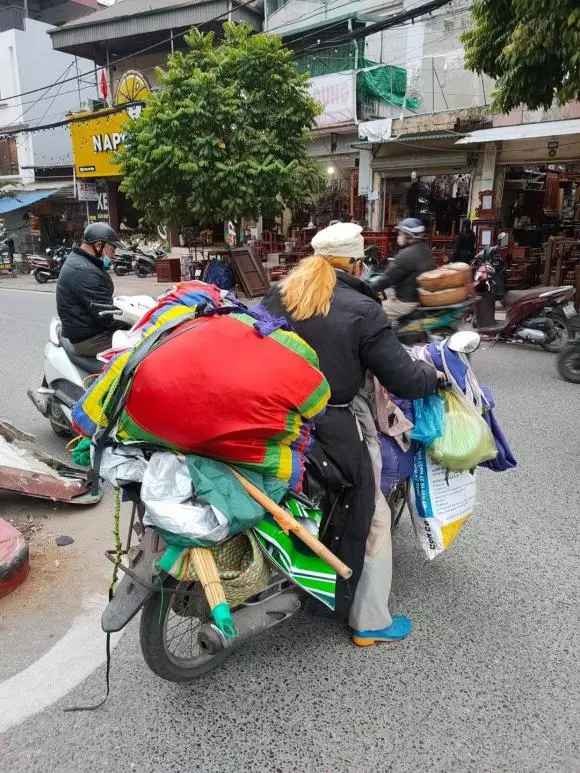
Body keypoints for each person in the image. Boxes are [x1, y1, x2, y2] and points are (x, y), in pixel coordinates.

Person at [262, 222, 440, 646]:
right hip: (333, 422)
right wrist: (433, 377)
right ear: (356, 264)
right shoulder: (362, 309)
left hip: (275, 417)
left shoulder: (279, 294)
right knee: (373, 513)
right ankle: (370, 621)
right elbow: (401, 376)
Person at [56, 222, 123, 357]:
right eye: (112, 249)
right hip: (90, 340)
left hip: (86, 330)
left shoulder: (79, 260)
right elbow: (105, 317)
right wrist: (130, 324)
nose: (113, 254)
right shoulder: (86, 272)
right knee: (140, 349)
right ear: (99, 246)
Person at [370, 217, 434, 320]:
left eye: (400, 233)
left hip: (406, 302)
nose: (398, 236)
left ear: (408, 235)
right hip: (417, 298)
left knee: (370, 313)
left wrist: (366, 289)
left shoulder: (407, 255)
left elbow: (387, 279)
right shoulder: (425, 250)